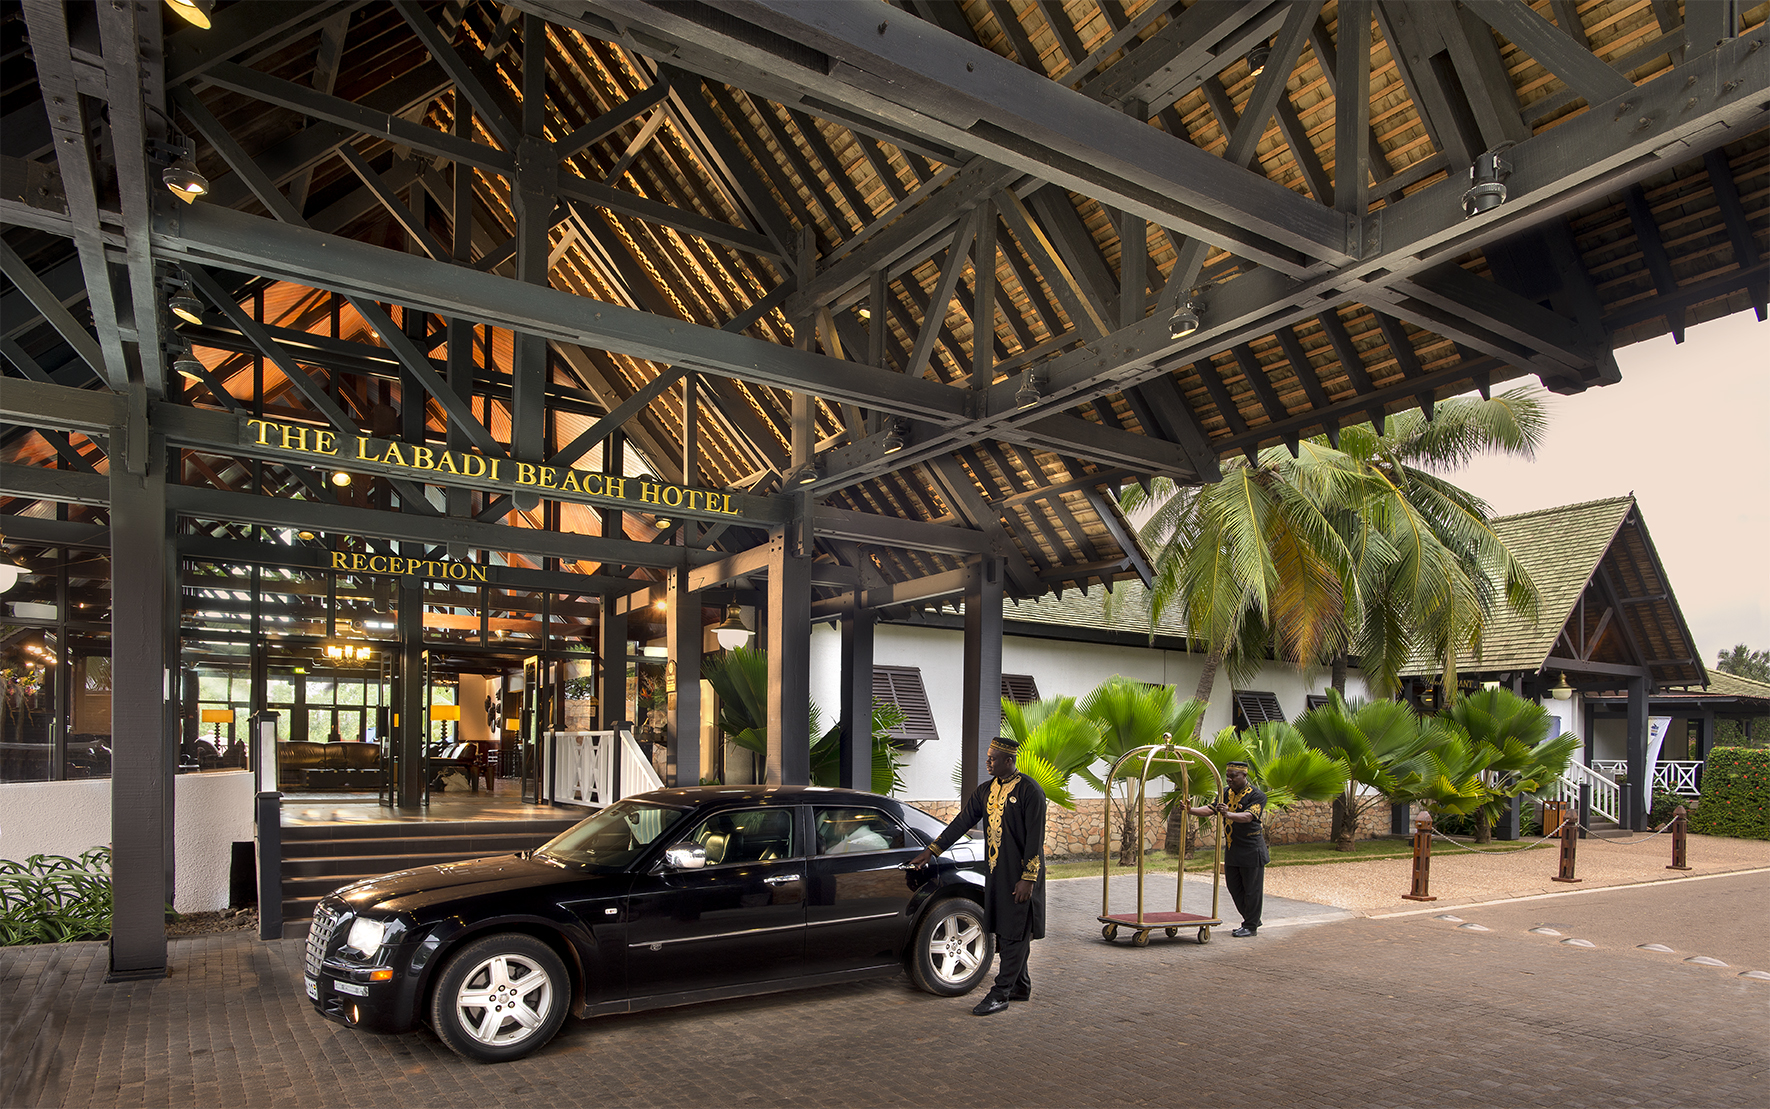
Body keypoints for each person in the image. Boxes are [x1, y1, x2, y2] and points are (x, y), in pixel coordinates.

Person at [907, 736, 1046, 1015]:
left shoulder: (1031, 791)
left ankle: (1001, 992)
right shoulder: (985, 791)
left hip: (1020, 874)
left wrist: (1028, 878)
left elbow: (1035, 839)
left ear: (1009, 761)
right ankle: (1020, 985)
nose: (988, 761)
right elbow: (961, 823)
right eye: (987, 756)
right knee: (1008, 928)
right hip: (996, 871)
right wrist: (932, 851)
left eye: (992, 758)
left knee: (1015, 931)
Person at [1188, 760, 1268, 937]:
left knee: (1252, 889)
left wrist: (1228, 814)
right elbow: (1210, 809)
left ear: (1244, 775)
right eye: (1228, 776)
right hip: (1233, 849)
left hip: (1252, 849)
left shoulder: (1257, 795)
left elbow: (1249, 816)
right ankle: (1252, 917)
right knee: (1233, 887)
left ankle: (1250, 925)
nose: (1229, 780)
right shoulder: (1225, 793)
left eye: (1233, 776)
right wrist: (1190, 810)